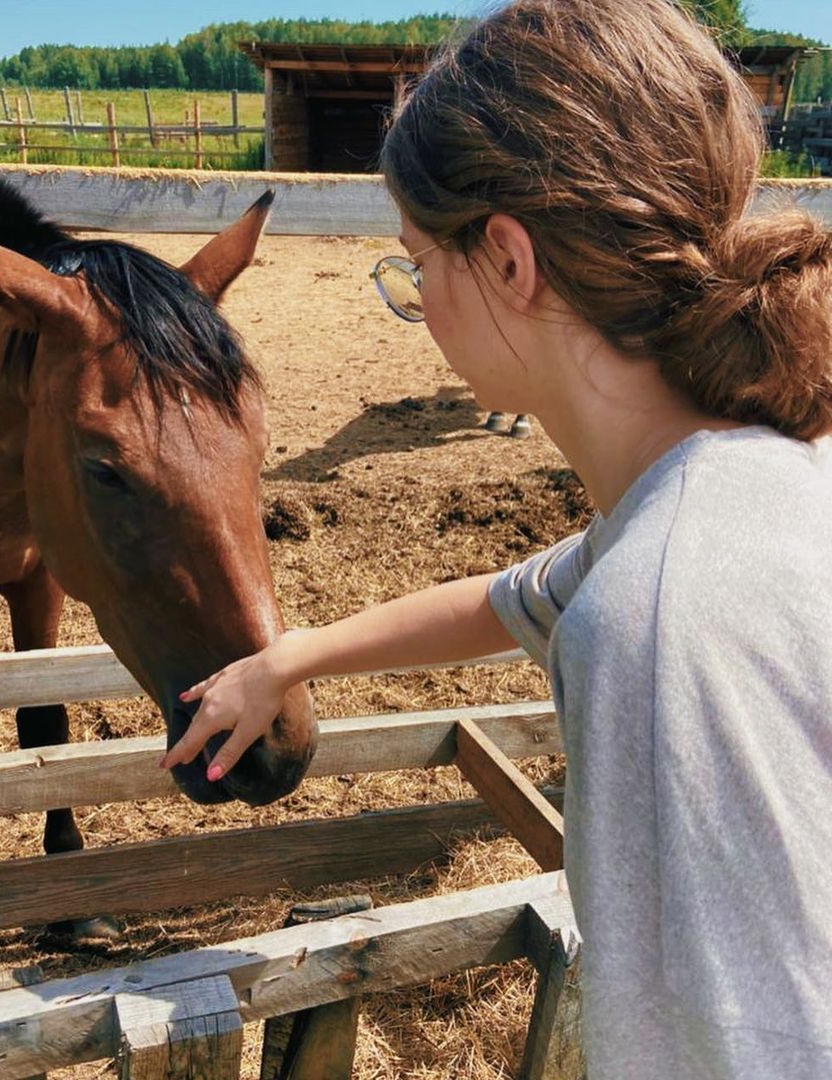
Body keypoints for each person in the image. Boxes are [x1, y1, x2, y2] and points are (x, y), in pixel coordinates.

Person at [160, 1, 832, 1076]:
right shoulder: (734, 488)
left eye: (416, 266)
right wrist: (286, 659)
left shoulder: (659, 628)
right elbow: (509, 597)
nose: (415, 302)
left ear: (510, 260)